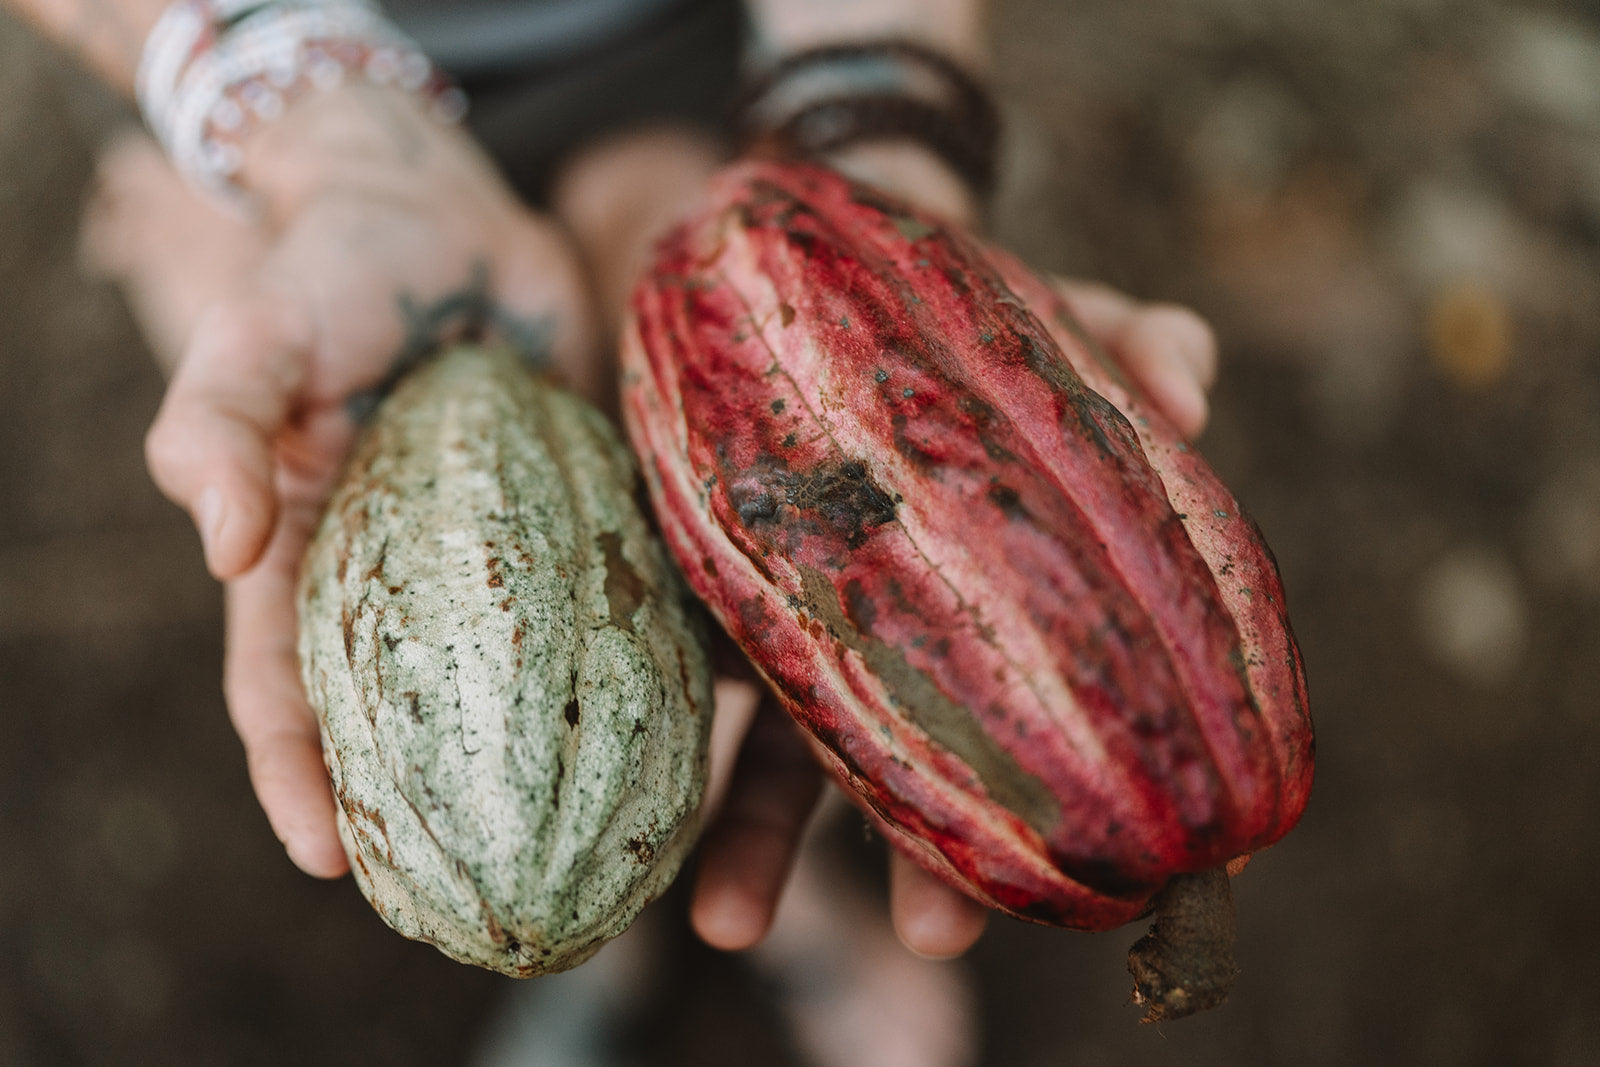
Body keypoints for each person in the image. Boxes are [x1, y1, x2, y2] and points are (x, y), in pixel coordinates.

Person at [8, 0, 1220, 1024]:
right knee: (299, 412)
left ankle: (773, 901)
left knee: (784, 604)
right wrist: (307, 115)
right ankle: (641, 924)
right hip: (242, 68)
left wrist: (872, 145)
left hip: (658, 43)